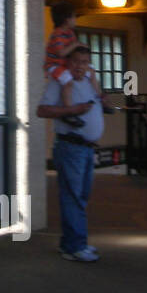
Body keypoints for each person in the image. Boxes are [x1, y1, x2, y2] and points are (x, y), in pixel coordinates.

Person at [37, 44, 108, 262]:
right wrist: (72, 110)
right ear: (68, 63)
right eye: (76, 61)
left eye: (85, 62)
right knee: (73, 197)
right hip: (70, 147)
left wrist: (103, 101)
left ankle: (71, 243)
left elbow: (99, 103)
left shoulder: (88, 82)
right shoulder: (58, 83)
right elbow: (42, 110)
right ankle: (76, 246)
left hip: (86, 149)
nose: (80, 66)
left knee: (80, 196)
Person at [44, 1, 105, 128]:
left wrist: (83, 48)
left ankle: (100, 97)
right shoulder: (57, 34)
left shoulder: (70, 33)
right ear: (66, 19)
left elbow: (75, 49)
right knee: (68, 81)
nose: (75, 19)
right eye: (74, 16)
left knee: (91, 71)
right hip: (55, 66)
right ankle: (69, 112)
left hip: (65, 64)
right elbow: (61, 53)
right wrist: (76, 44)